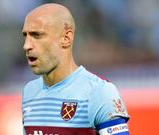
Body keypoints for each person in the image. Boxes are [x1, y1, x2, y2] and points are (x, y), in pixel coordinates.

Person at [21, 3, 130, 135]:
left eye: (37, 35)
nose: (26, 45)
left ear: (66, 38)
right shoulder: (30, 91)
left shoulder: (98, 92)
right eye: (25, 36)